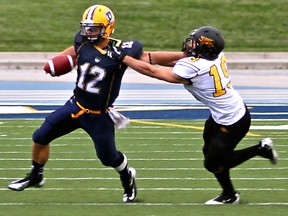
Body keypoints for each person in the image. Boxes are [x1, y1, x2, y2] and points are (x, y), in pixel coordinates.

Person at [8, 5, 186, 203]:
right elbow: (71, 52)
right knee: (41, 136)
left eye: (94, 28)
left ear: (107, 28)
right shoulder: (83, 42)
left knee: (108, 158)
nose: (88, 32)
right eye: (86, 27)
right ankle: (36, 175)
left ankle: (127, 174)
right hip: (75, 105)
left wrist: (181, 57)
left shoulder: (121, 51)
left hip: (99, 114)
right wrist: (58, 62)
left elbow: (149, 59)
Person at [106, 25, 279, 204]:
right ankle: (230, 194)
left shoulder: (195, 67)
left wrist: (123, 58)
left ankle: (259, 151)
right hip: (223, 114)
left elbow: (153, 71)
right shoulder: (214, 57)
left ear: (205, 49)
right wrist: (136, 55)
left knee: (213, 163)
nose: (191, 44)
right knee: (210, 153)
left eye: (195, 43)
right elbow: (163, 60)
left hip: (233, 122)